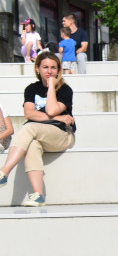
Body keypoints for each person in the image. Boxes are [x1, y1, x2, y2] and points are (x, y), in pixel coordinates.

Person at [0, 51, 76, 207]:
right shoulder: (31, 89)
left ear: (58, 70)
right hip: (42, 133)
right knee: (32, 144)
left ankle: (3, 172)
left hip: (62, 135)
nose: (50, 71)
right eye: (45, 67)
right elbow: (29, 113)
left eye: (54, 68)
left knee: (29, 127)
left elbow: (52, 109)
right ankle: (38, 195)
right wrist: (56, 118)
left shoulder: (64, 90)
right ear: (37, 69)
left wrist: (51, 88)